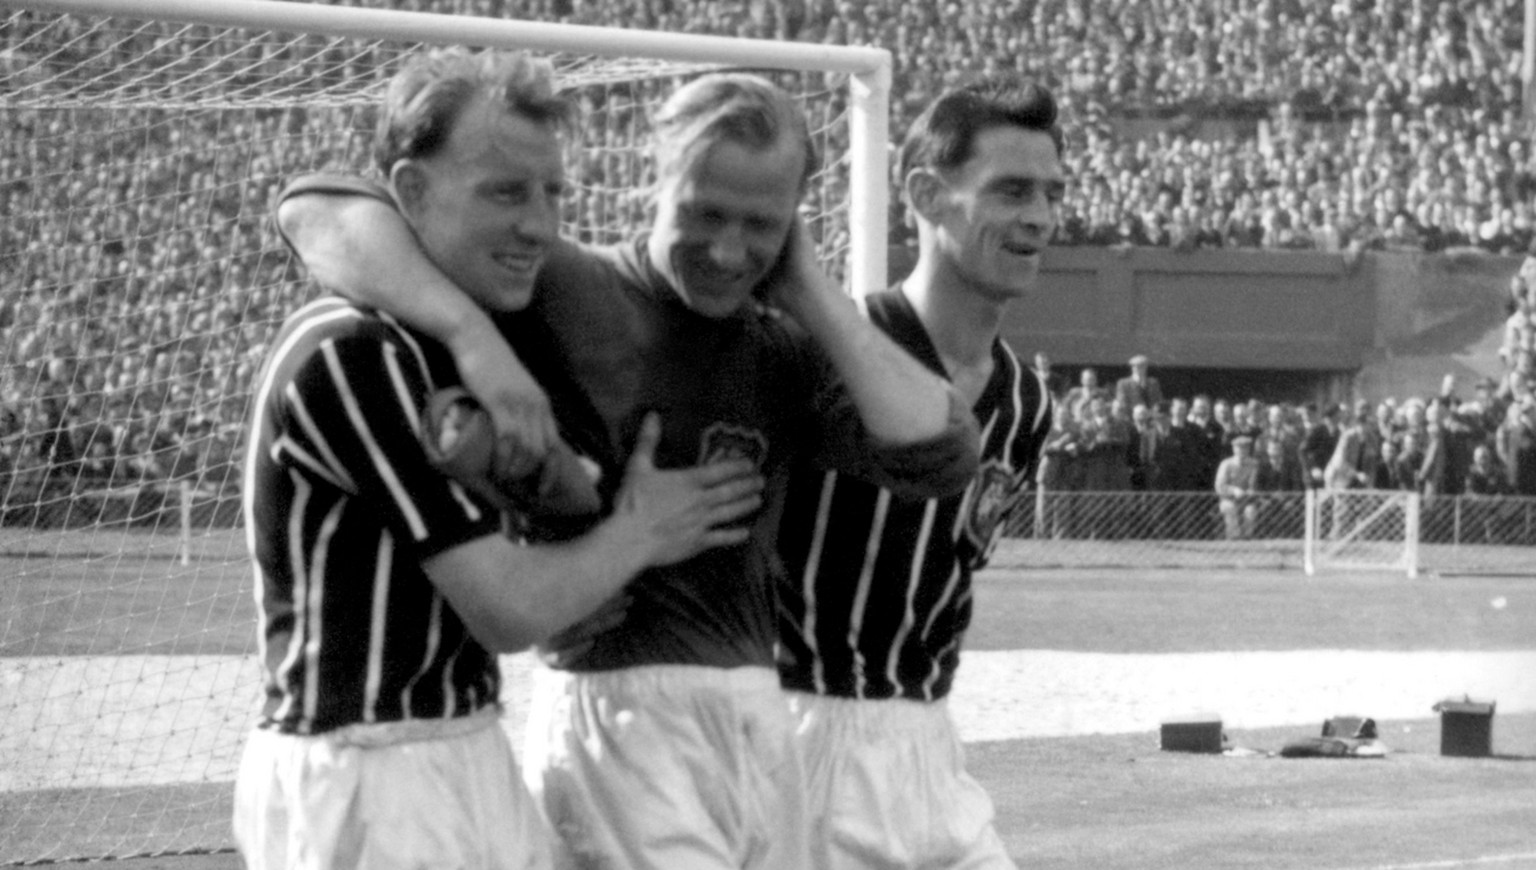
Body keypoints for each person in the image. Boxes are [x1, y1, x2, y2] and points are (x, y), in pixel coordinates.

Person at [276, 71, 980, 870]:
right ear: (656, 177)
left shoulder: (782, 346)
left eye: (761, 224)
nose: (726, 250)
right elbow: (318, 206)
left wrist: (811, 291)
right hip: (619, 718)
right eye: (703, 213)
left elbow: (944, 451)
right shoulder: (567, 289)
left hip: (761, 720)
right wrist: (472, 333)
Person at [234, 48, 766, 870]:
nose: (540, 225)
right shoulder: (351, 351)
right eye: (505, 191)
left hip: (462, 742)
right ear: (411, 193)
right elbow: (505, 608)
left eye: (553, 193)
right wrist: (641, 532)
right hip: (365, 767)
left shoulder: (469, 343)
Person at [775, 78, 1060, 870]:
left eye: (1050, 193)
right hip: (802, 735)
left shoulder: (1028, 402)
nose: (1039, 216)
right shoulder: (823, 350)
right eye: (1010, 190)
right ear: (927, 196)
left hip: (929, 740)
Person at [1214, 435, 1261, 540]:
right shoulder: (1226, 464)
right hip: (1228, 498)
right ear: (1234, 449)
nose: (1243, 451)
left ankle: (1247, 538)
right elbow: (1219, 486)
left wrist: (1251, 491)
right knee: (1230, 508)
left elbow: (1253, 484)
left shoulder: (1253, 464)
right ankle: (1233, 538)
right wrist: (1233, 490)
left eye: (1245, 448)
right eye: (1240, 448)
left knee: (1250, 510)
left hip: (1247, 499)